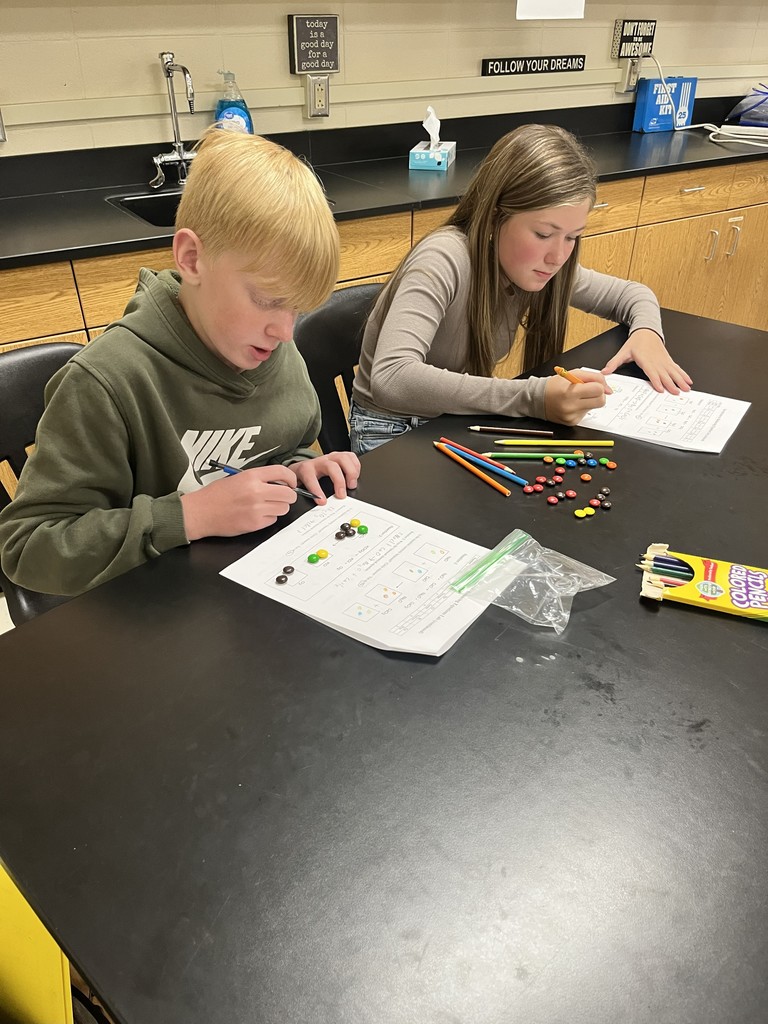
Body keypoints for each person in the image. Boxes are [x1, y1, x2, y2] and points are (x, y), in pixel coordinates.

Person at [0, 128, 360, 597]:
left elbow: (274, 448)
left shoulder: (272, 348)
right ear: (192, 258)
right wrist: (189, 516)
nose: (286, 332)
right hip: (143, 616)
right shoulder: (107, 383)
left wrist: (297, 470)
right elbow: (28, 548)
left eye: (298, 309)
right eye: (267, 300)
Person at [349, 123, 692, 455]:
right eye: (543, 234)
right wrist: (534, 397)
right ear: (496, 217)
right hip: (392, 429)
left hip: (452, 420)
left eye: (572, 237)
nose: (558, 256)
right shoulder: (444, 258)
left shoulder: (539, 265)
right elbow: (392, 378)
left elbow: (634, 295)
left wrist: (648, 333)